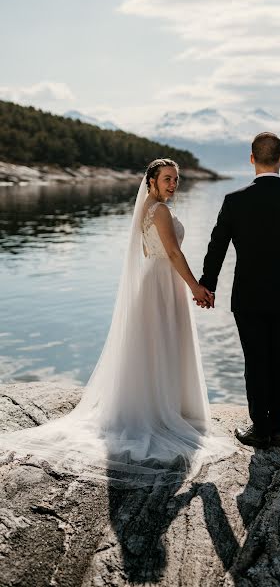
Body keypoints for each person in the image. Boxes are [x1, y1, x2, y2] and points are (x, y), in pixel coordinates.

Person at [0, 158, 239, 488]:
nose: (173, 184)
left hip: (152, 282)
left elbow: (152, 251)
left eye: (176, 179)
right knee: (163, 343)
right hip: (163, 283)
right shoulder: (161, 212)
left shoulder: (146, 210)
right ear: (151, 182)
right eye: (167, 179)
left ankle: (156, 402)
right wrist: (196, 286)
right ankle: (162, 408)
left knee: (154, 345)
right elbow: (171, 253)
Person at [198, 132, 280, 450]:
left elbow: (217, 247)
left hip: (248, 297)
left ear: (251, 159)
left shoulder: (234, 200)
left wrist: (207, 285)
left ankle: (260, 427)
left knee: (255, 361)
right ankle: (279, 428)